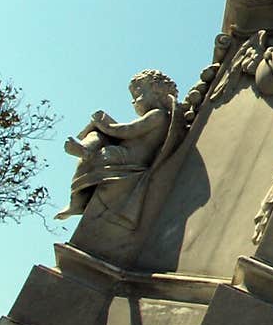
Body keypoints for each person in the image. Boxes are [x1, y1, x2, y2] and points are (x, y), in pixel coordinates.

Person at [56, 69, 180, 221]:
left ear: (156, 90)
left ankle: (85, 153)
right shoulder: (156, 115)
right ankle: (85, 150)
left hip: (127, 158)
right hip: (122, 152)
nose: (134, 101)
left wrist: (104, 124)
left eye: (138, 94)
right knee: (96, 136)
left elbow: (127, 131)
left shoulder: (158, 115)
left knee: (101, 144)